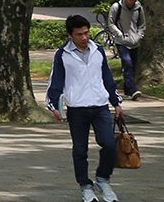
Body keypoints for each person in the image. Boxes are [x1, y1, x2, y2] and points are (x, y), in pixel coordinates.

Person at [45, 14, 124, 202]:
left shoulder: (98, 50)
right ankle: (85, 186)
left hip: (100, 105)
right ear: (70, 35)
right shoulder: (63, 54)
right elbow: (55, 82)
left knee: (109, 144)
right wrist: (53, 106)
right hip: (77, 108)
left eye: (87, 33)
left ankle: (103, 178)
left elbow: (107, 78)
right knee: (80, 150)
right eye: (79, 34)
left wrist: (116, 102)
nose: (84, 37)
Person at [103, 0, 145, 100]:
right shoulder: (117, 7)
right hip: (121, 42)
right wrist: (119, 34)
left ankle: (128, 88)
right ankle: (132, 90)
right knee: (127, 63)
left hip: (135, 41)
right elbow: (111, 23)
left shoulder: (139, 8)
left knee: (133, 66)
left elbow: (142, 24)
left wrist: (139, 36)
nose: (132, 1)